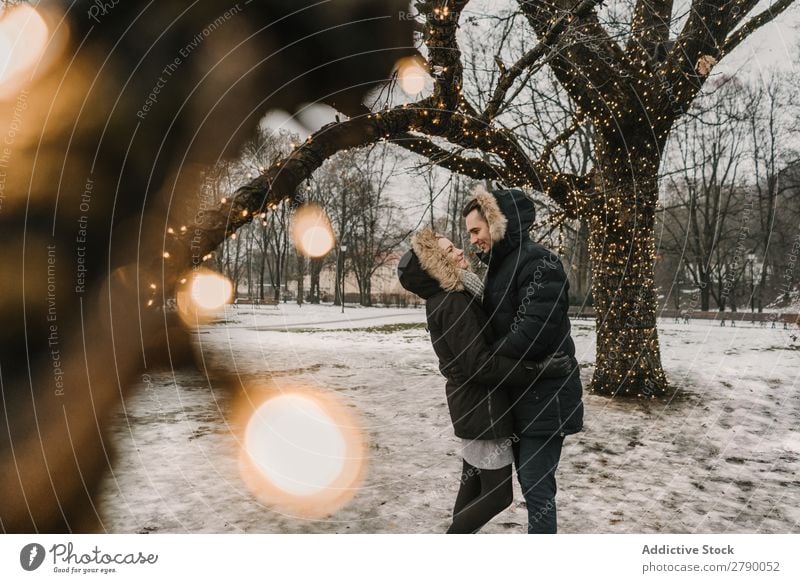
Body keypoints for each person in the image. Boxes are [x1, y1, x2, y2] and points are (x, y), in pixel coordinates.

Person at [397, 228, 574, 534]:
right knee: (497, 495)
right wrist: (537, 369)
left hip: (475, 406)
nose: (460, 251)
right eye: (450, 250)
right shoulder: (452, 302)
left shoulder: (455, 295)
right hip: (482, 408)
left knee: (472, 488)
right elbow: (479, 364)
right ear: (439, 263)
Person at [462, 185, 584, 534]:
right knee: (528, 484)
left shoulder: (538, 262)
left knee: (536, 485)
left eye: (476, 231)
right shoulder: (500, 268)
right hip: (521, 396)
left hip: (547, 398)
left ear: (498, 225)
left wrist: (487, 358)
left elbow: (533, 331)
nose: (473, 240)